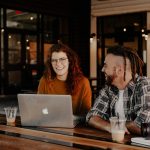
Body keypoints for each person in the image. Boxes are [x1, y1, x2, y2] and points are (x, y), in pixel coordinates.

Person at [86, 45, 150, 135]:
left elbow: (142, 126)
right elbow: (92, 117)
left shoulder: (145, 86)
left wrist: (113, 124)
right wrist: (110, 127)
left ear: (118, 70)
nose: (102, 69)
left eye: (105, 65)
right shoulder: (108, 88)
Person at [38, 43, 92, 115]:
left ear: (69, 60)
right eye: (54, 60)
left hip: (75, 125)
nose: (58, 63)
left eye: (62, 59)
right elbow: (39, 108)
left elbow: (86, 114)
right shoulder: (45, 80)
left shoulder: (83, 82)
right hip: (49, 124)